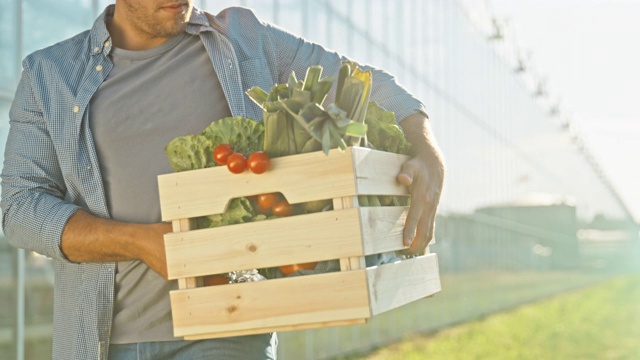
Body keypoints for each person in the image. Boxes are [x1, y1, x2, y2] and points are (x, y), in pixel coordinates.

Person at [1, 1, 445, 359]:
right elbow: (19, 206)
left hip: (230, 327)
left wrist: (427, 151)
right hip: (103, 339)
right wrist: (142, 242)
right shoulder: (50, 75)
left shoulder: (244, 42)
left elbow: (371, 85)